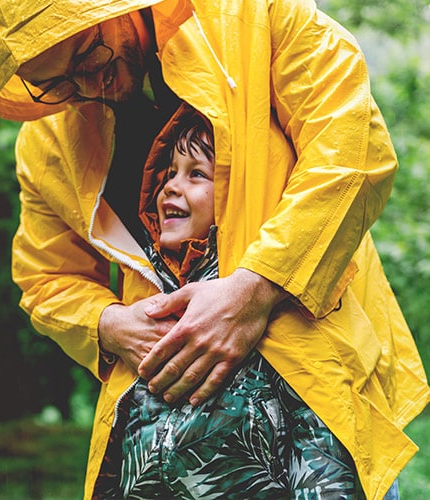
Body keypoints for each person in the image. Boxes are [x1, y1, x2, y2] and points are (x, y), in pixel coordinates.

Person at [0, 0, 429, 498]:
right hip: (155, 446)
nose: (86, 87)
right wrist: (107, 324)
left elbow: (352, 150)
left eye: (88, 57)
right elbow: (45, 278)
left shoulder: (254, 16)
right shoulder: (48, 144)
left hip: (313, 411)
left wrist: (258, 287)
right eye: (54, 84)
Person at [94, 102, 365, 498]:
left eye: (196, 174)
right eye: (169, 173)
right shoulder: (147, 298)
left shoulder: (271, 309)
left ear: (235, 196)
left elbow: (320, 449)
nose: (171, 185)